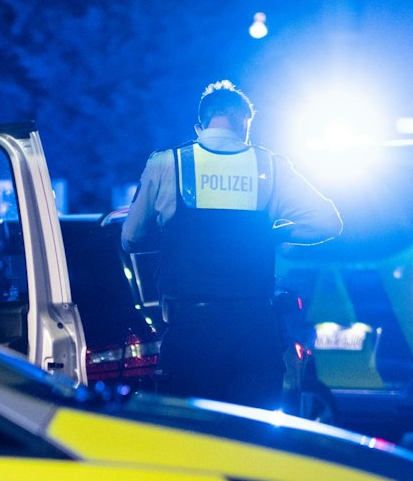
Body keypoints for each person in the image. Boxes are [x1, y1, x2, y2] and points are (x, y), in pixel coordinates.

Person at [121, 80, 341, 408]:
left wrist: (172, 237)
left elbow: (130, 239)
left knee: (189, 439)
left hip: (190, 330)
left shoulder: (168, 164)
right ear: (245, 125)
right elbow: (328, 222)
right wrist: (275, 233)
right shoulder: (270, 166)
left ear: (201, 125)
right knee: (250, 441)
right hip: (254, 329)